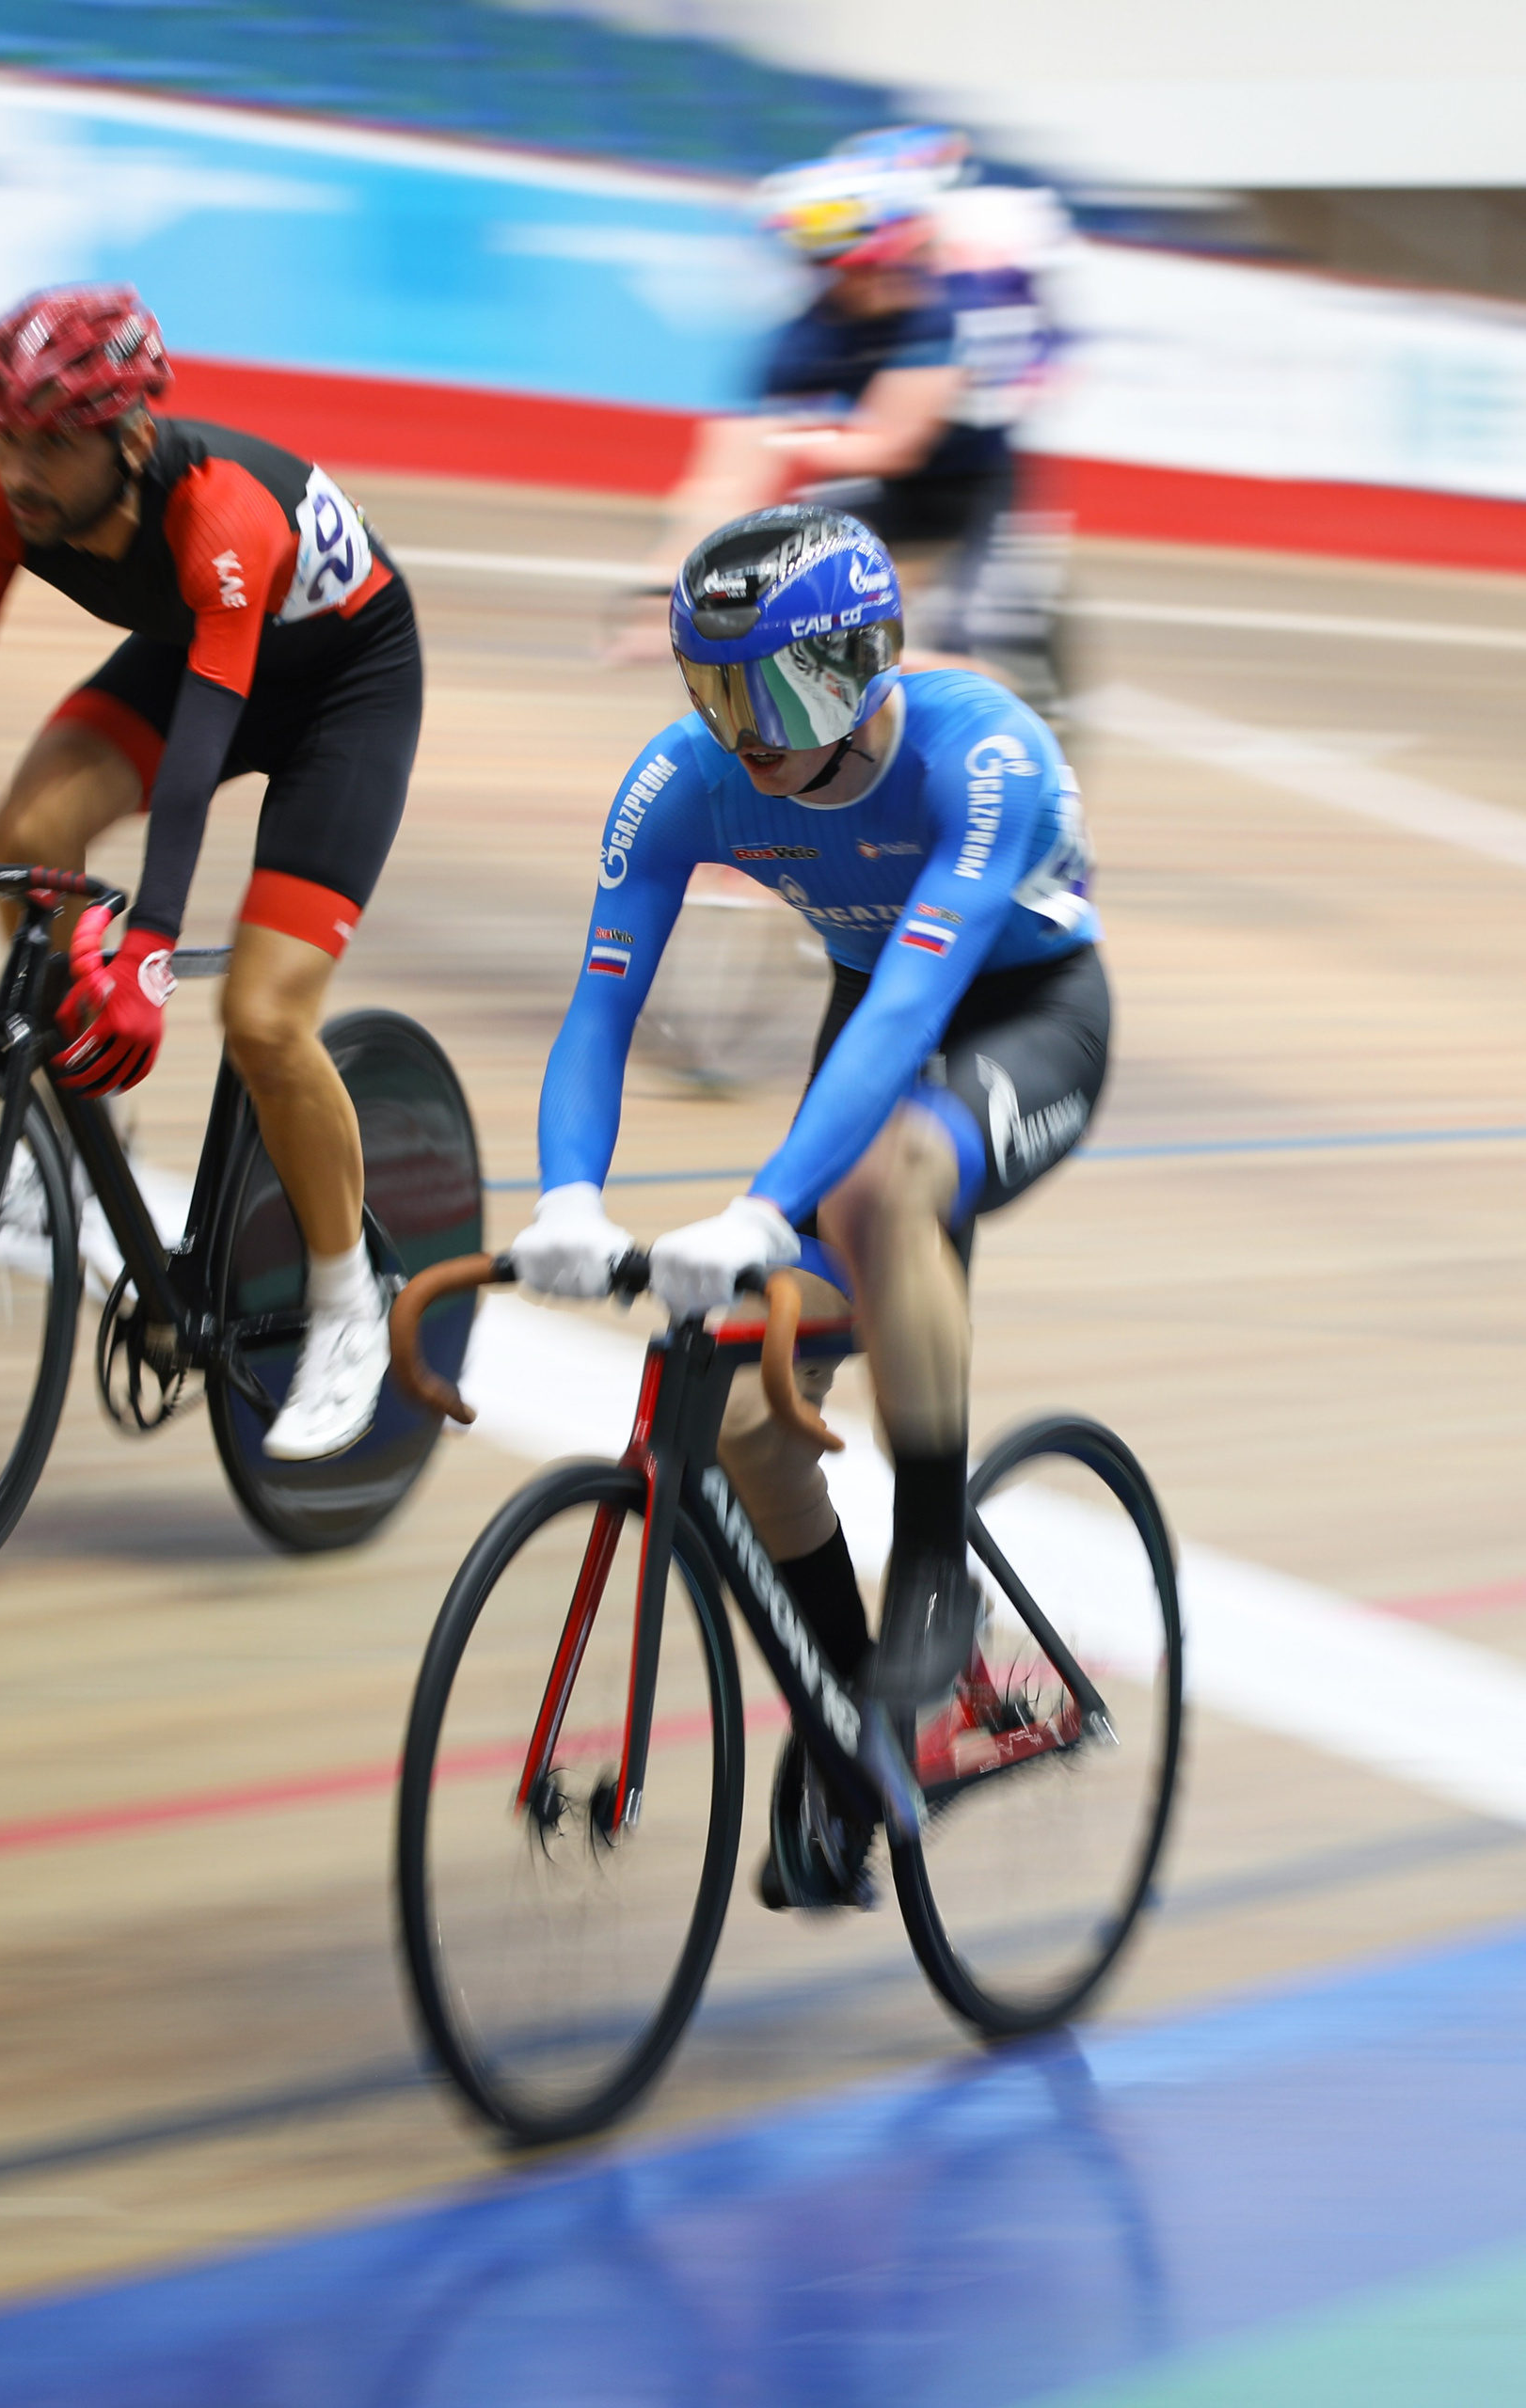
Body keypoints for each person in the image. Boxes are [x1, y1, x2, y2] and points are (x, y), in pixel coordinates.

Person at [517, 503, 1105, 1909]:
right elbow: (600, 1006)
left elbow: (914, 1005)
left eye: (770, 692)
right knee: (737, 1427)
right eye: (714, 692)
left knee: (884, 1181)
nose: (742, 734)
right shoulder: (681, 781)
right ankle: (860, 1725)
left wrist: (766, 1206)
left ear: (856, 663)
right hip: (872, 1026)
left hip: (1022, 1018)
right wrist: (568, 1193)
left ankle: (935, 1577)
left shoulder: (983, 755)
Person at [0, 285, 423, 1464]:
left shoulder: (220, 515)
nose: (17, 469)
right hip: (203, 652)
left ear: (128, 436)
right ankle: (87, 1122)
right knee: (31, 827)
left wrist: (150, 953)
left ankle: (346, 1309)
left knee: (263, 1018)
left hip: (341, 690)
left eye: (49, 443)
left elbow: (198, 766)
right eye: (3, 436)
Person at [626, 129, 1064, 694]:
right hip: (882, 490)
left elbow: (892, 446)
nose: (842, 286)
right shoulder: (809, 332)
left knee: (972, 642)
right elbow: (724, 475)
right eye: (828, 269)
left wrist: (783, 441)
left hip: (975, 492)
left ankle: (1010, 717)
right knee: (796, 611)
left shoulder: (940, 318)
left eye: (854, 269)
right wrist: (669, 580)